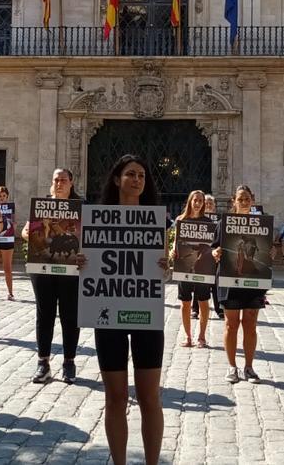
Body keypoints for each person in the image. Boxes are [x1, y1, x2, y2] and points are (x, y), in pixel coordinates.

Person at [86, 155, 167, 465]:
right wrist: (82, 262)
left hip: (145, 311)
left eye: (142, 176)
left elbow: (164, 268)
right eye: (131, 174)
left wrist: (166, 268)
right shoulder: (97, 220)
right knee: (116, 397)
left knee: (150, 397)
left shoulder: (155, 221)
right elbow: (86, 263)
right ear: (117, 179)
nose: (137, 180)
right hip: (108, 312)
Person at [26, 167, 82, 384]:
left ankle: (69, 362)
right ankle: (43, 362)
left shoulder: (81, 207)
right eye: (56, 180)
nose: (59, 184)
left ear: (71, 183)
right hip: (43, 268)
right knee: (44, 314)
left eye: (63, 180)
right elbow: (27, 231)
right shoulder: (42, 206)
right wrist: (27, 232)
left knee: (70, 315)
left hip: (70, 269)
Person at [213, 185, 267, 383]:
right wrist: (215, 253)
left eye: (247, 199)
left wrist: (271, 253)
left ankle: (249, 367)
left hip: (253, 279)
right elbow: (214, 248)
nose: (244, 202)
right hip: (230, 278)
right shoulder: (223, 224)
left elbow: (264, 249)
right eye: (240, 199)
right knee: (231, 323)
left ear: (252, 200)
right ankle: (232, 367)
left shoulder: (261, 224)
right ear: (233, 201)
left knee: (250, 323)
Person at [170, 190, 211, 348]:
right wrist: (173, 251)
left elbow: (211, 245)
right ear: (190, 201)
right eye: (195, 200)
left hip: (202, 268)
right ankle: (187, 337)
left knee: (203, 302)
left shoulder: (207, 222)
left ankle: (201, 336)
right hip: (184, 266)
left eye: (200, 201)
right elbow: (176, 242)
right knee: (185, 302)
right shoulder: (181, 219)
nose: (198, 203)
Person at [0, 185, 16, 302]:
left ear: (7, 196)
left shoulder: (11, 207)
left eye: (4, 196)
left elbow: (13, 221)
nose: (2, 198)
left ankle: (10, 292)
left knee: (7, 267)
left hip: (7, 239)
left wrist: (14, 223)